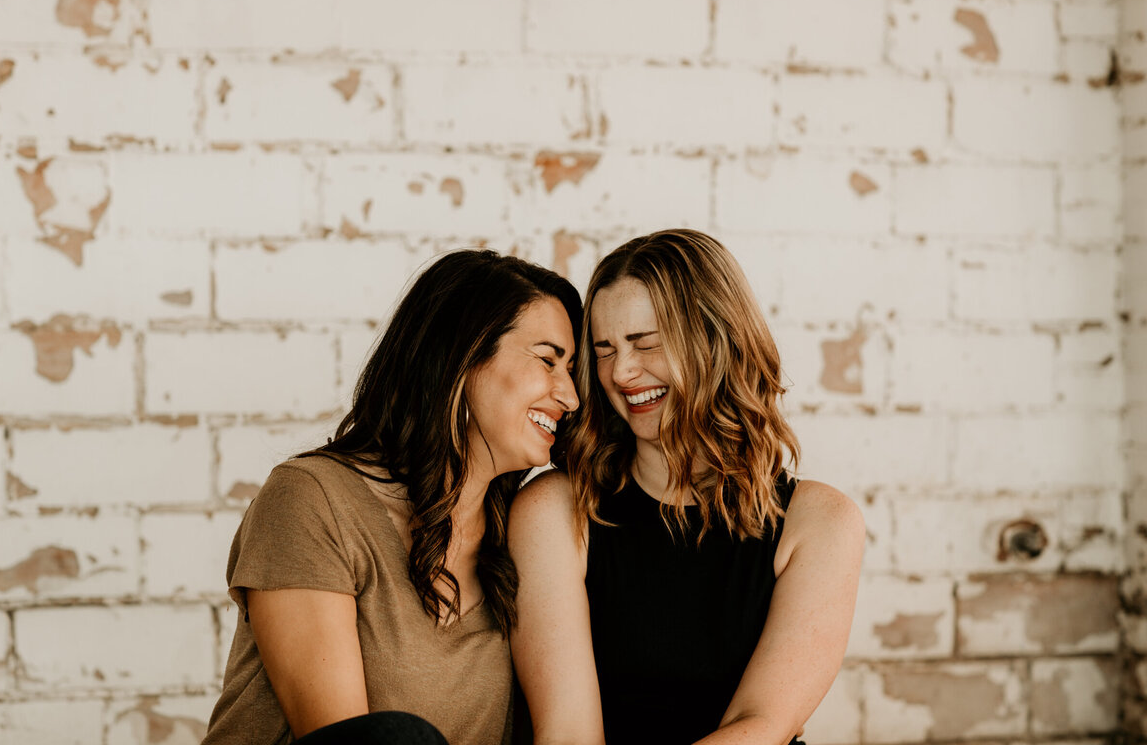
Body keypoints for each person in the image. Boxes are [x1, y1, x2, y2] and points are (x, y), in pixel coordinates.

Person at [203, 250, 582, 745]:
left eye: (572, 369)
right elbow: (346, 740)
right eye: (548, 360)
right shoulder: (312, 500)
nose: (570, 396)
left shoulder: (524, 532)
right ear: (463, 356)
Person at [508, 229, 864, 745]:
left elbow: (761, 727)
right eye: (604, 350)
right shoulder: (556, 509)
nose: (622, 372)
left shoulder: (822, 521)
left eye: (644, 343)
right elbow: (567, 733)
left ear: (717, 341)